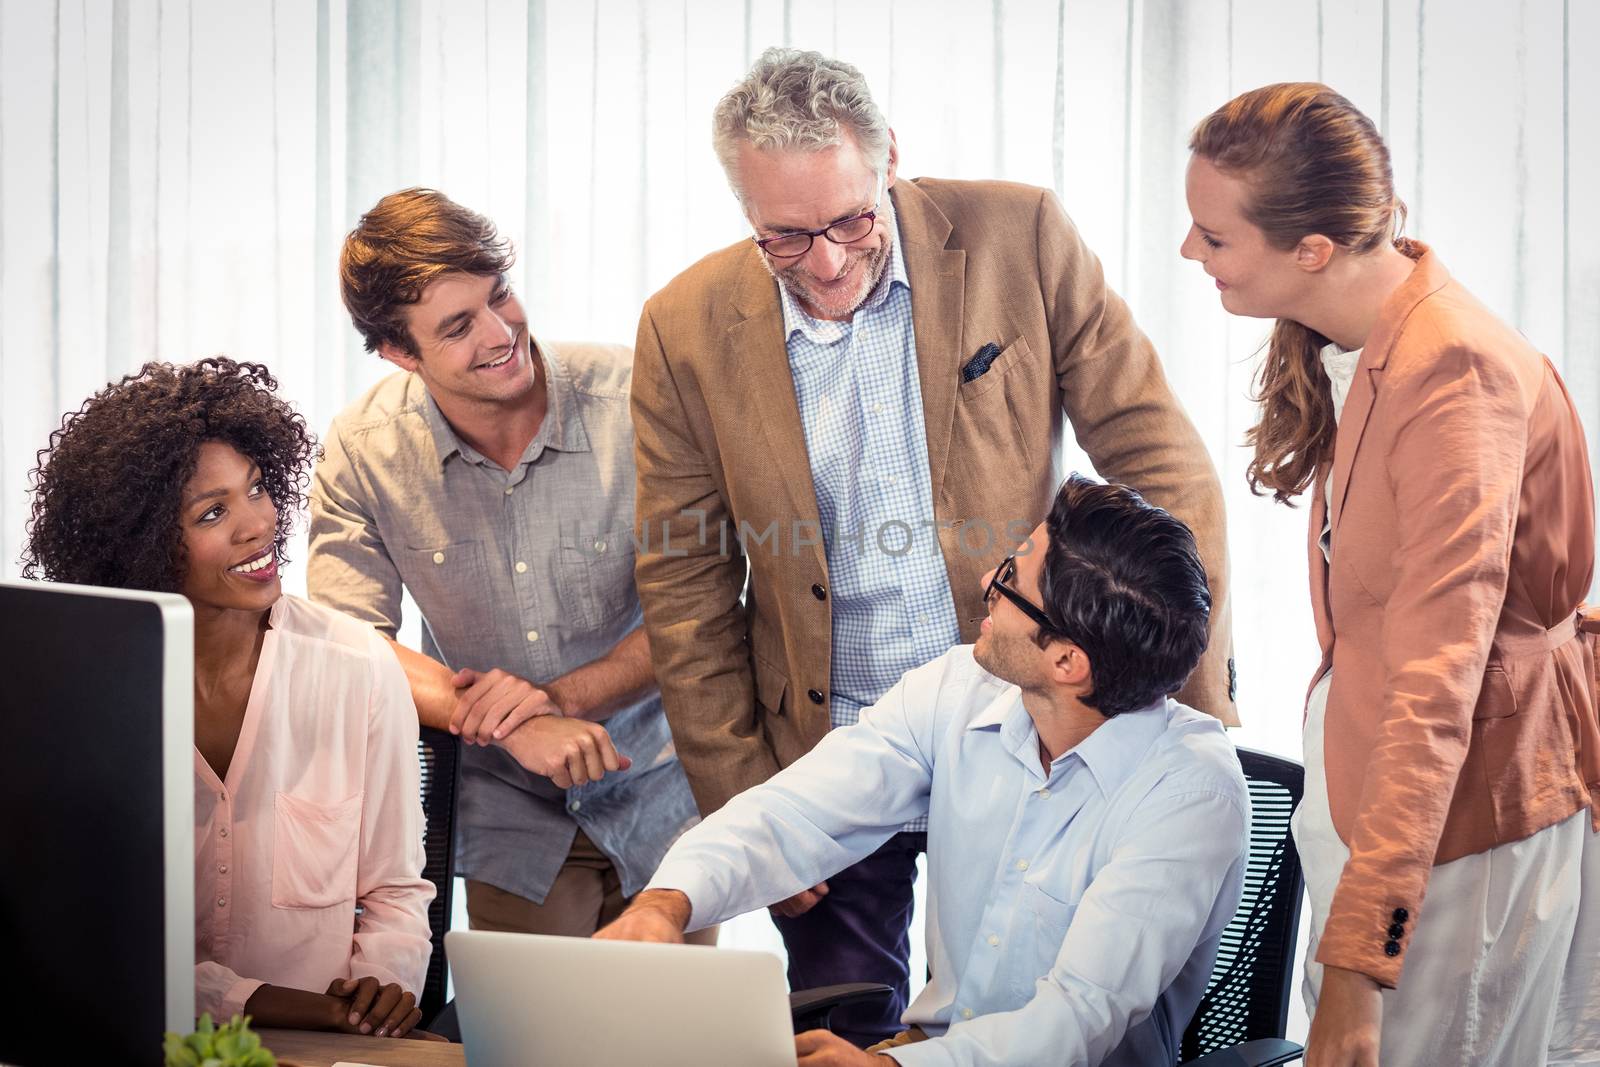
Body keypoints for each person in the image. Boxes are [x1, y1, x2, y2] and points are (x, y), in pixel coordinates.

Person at [630, 47, 1237, 1044]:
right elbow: (685, 578)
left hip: (1038, 709)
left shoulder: (1019, 235)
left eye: (850, 221)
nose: (825, 262)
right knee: (844, 1031)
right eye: (784, 237)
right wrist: (745, 797)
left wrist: (1165, 677)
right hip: (837, 737)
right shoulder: (684, 325)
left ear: (890, 164)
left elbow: (1158, 455)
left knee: (1039, 1011)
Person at [1181, 83, 1600, 1066]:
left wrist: (1357, 970)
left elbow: (1435, 681)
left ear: (1311, 250)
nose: (1191, 253)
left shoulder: (1451, 372)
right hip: (1392, 817)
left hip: (1461, 826)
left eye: (1213, 234)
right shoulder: (1360, 343)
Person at [597, 476, 1249, 1067]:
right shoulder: (958, 687)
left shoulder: (1192, 793)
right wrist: (667, 901)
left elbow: (1076, 1017)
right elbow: (795, 810)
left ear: (1068, 662)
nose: (984, 585)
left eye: (1011, 583)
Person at [308, 188, 707, 942]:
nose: (501, 333)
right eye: (458, 327)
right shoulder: (364, 450)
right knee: (530, 1042)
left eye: (502, 297)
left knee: (669, 1042)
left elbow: (695, 611)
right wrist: (505, 726)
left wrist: (550, 701)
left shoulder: (639, 400)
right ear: (399, 352)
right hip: (508, 812)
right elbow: (344, 642)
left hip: (666, 795)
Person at [21, 358, 437, 1038]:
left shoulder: (358, 666)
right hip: (133, 1037)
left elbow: (394, 892)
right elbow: (84, 929)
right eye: (213, 512)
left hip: (319, 1044)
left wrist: (377, 990)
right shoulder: (87, 692)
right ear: (144, 544)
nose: (257, 524)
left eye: (256, 489)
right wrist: (256, 1000)